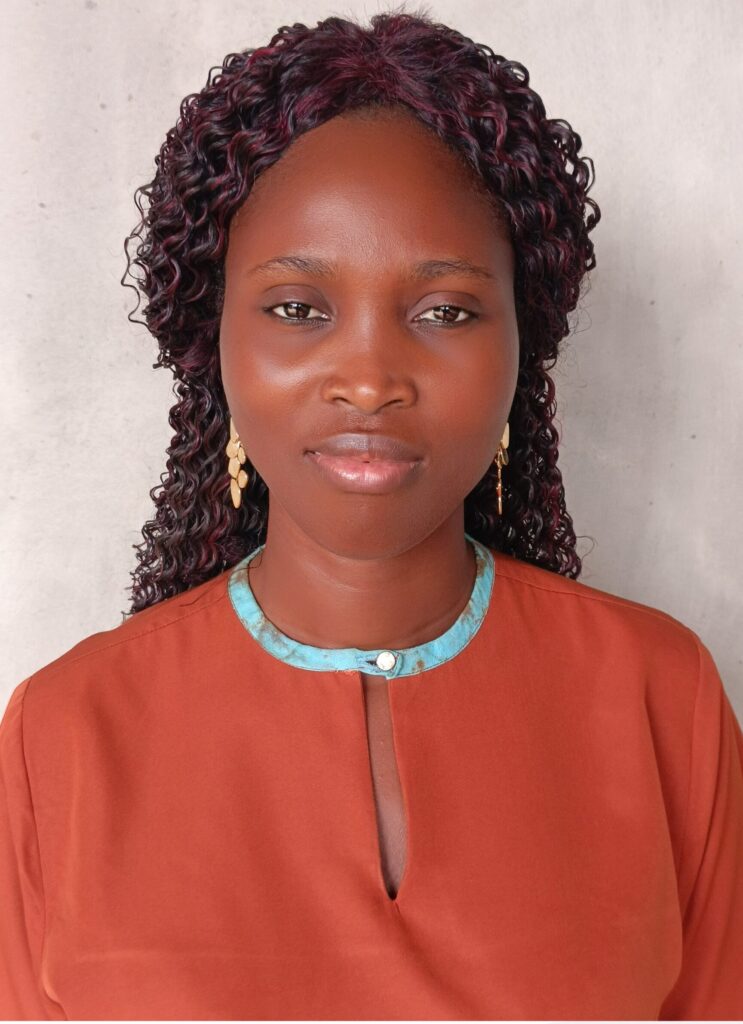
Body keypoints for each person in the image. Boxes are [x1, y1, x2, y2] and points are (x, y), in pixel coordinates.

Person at [1, 8, 741, 1020]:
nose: (368, 378)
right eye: (297, 308)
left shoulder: (662, 699)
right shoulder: (63, 735)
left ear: (520, 350)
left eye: (445, 311)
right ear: (215, 344)